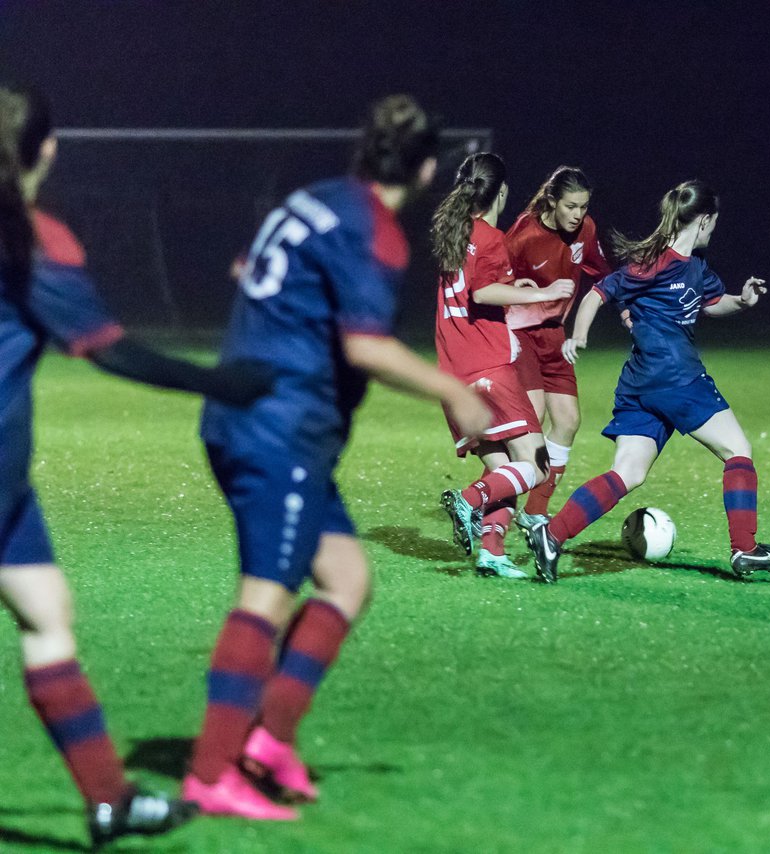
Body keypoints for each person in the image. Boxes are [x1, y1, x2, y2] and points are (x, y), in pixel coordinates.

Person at [186, 95, 490, 820]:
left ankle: (268, 742)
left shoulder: (310, 201)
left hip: (252, 412)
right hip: (279, 427)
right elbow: (365, 346)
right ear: (422, 169)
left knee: (347, 580)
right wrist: (458, 393)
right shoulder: (378, 235)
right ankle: (209, 772)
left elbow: (244, 268)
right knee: (266, 595)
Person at [0, 82, 272, 845]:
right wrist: (223, 381)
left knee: (47, 612)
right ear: (46, 151)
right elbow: (112, 351)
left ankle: (109, 799)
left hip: (7, 489)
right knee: (45, 616)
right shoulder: (32, 239)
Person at [524, 179, 770, 583]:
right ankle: (745, 549)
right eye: (714, 222)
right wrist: (579, 335)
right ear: (703, 221)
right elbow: (598, 293)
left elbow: (710, 302)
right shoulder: (654, 262)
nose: (715, 229)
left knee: (628, 473)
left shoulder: (696, 268)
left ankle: (552, 534)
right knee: (737, 449)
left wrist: (741, 300)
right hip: (677, 377)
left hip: (639, 385)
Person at [432, 152, 573, 579]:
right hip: (488, 366)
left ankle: (492, 553)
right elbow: (481, 293)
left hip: (453, 373)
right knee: (536, 465)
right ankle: (469, 500)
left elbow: (477, 284)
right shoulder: (490, 235)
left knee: (504, 471)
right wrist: (539, 294)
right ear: (502, 192)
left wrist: (514, 285)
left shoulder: (454, 232)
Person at [503, 166, 611, 529]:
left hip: (554, 336)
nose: (578, 215)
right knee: (531, 421)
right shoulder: (522, 234)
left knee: (568, 420)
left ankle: (534, 513)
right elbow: (489, 279)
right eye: (571, 206)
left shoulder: (587, 228)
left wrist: (625, 303)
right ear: (552, 201)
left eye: (583, 206)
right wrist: (513, 283)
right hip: (520, 333)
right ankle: (486, 499)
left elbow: (602, 272)